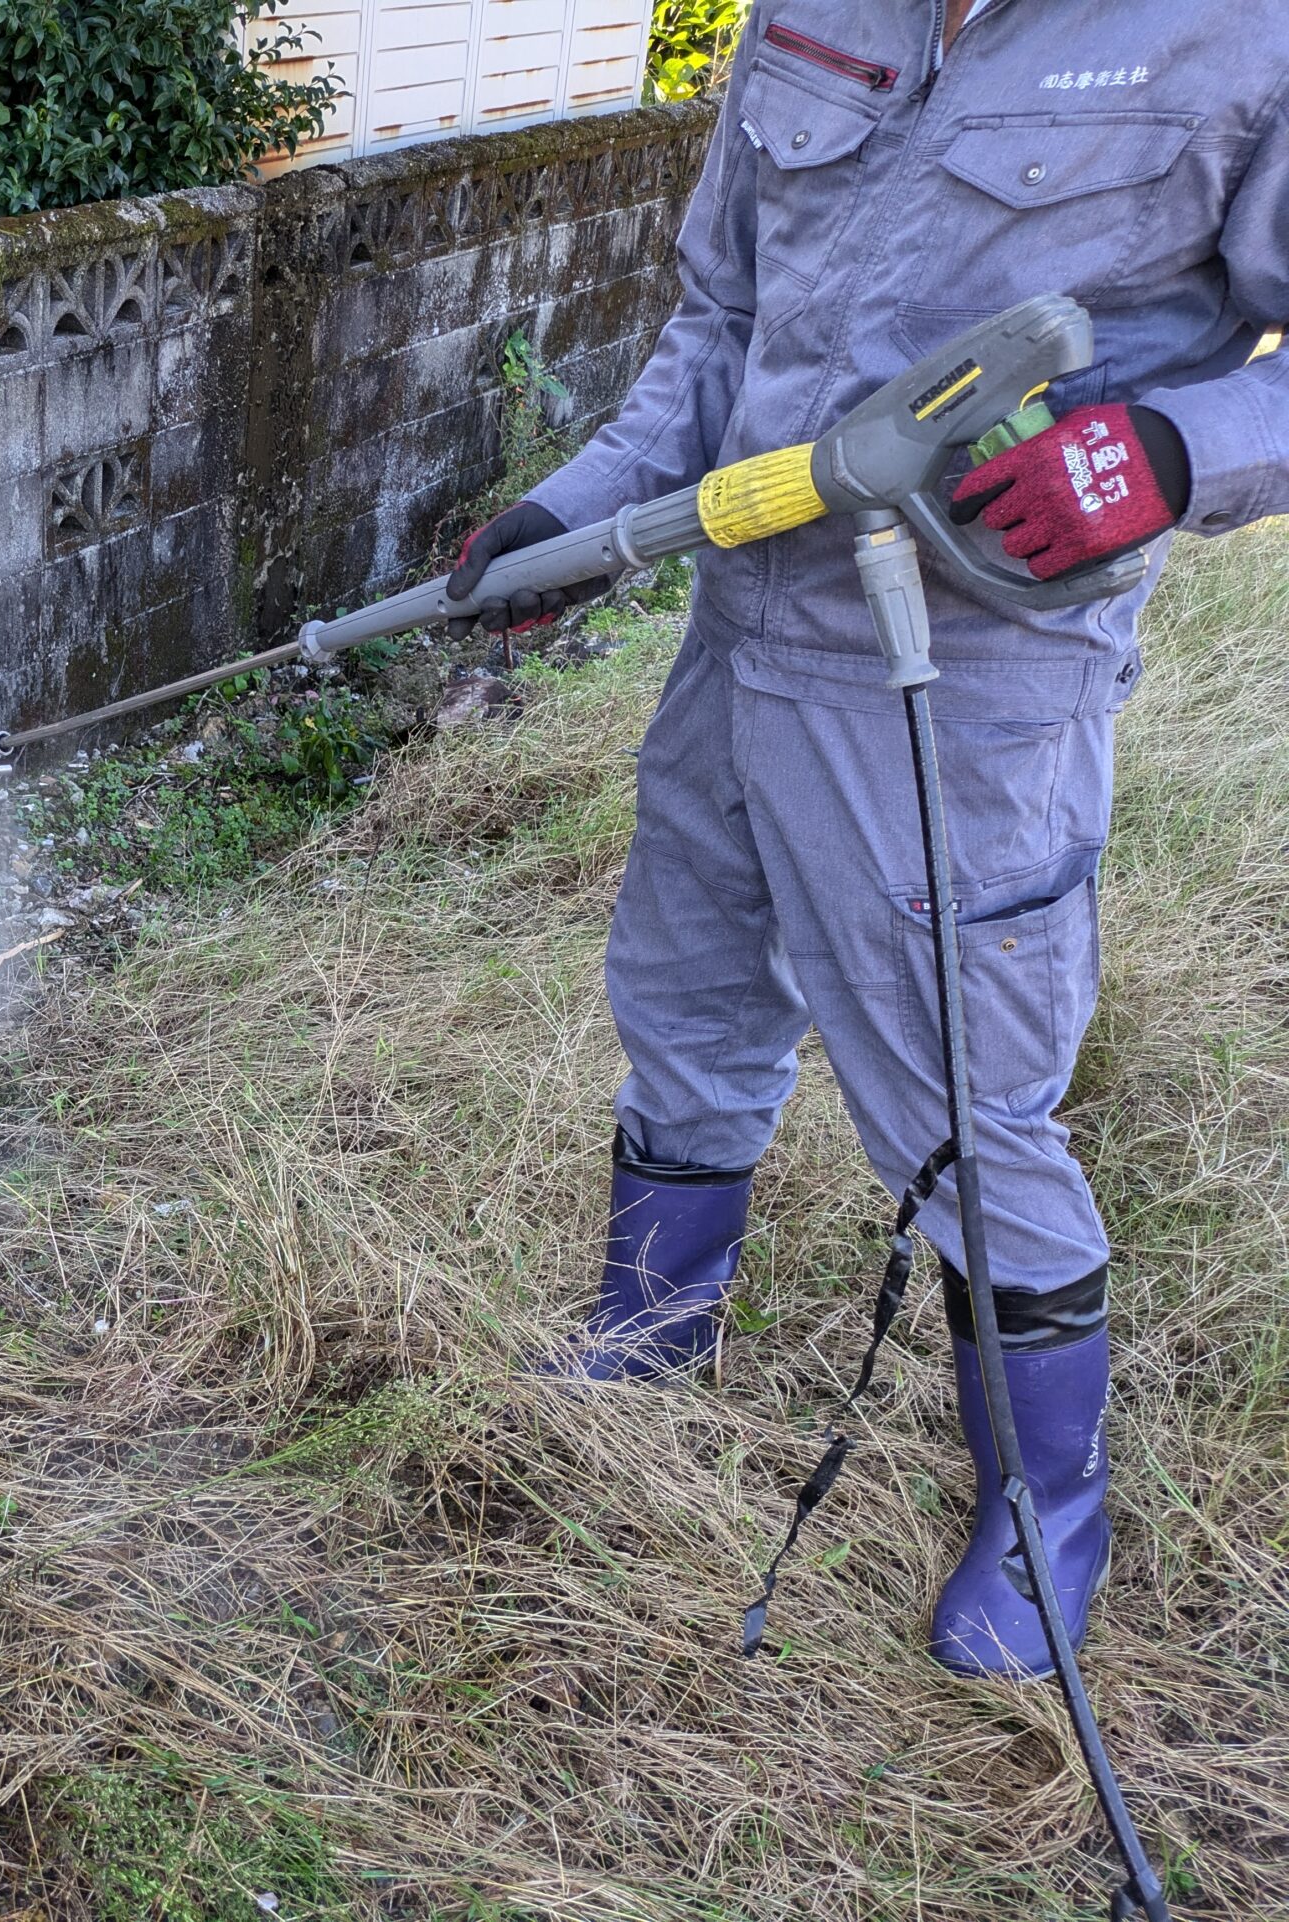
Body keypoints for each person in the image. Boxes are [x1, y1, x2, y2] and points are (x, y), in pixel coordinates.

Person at [446, 1, 1288, 1681]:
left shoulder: (1238, 33)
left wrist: (1181, 448)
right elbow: (725, 313)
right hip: (741, 611)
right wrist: (581, 508)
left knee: (967, 1090)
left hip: (971, 664)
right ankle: (652, 1330)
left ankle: (1051, 1507)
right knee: (683, 994)